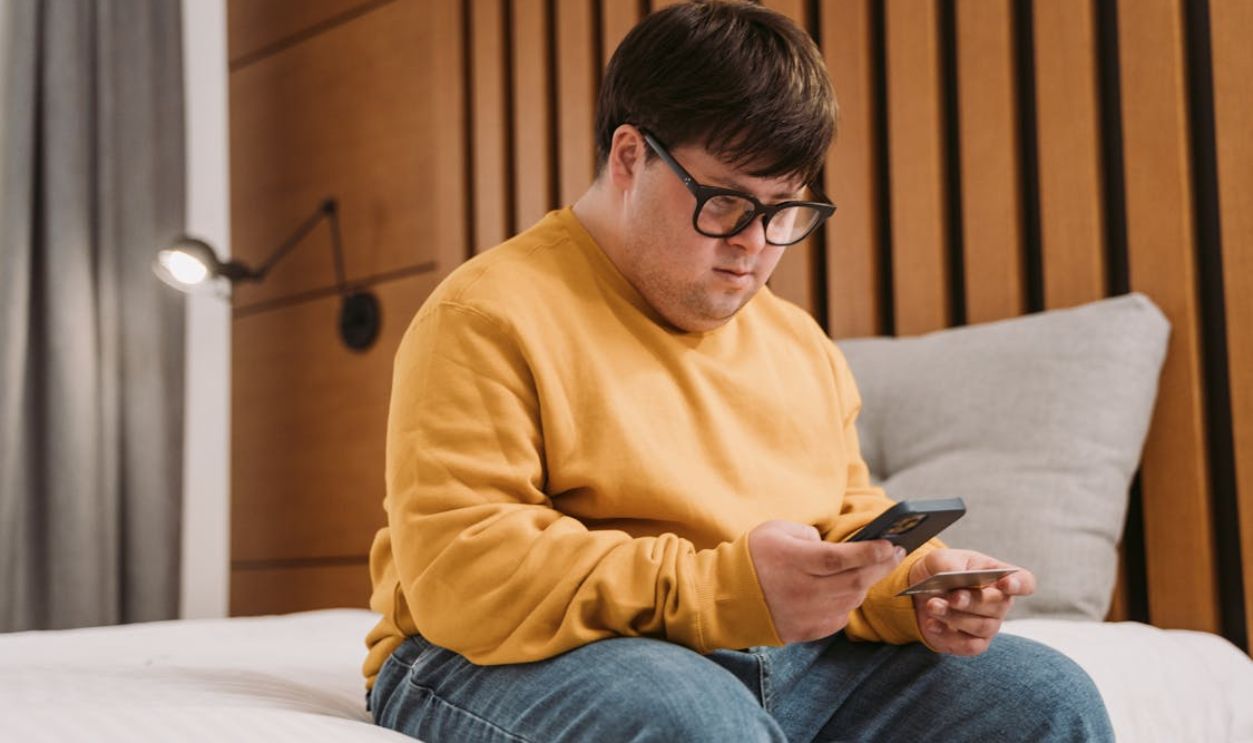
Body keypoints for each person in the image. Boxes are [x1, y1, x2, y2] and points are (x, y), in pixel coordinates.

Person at [363, 1, 1114, 740]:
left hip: (763, 652)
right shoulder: (485, 313)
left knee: (1044, 696)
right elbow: (466, 574)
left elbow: (843, 519)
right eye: (725, 203)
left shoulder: (795, 341)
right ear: (630, 156)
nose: (755, 245)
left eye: (785, 210)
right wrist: (725, 589)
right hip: (497, 652)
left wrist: (910, 589)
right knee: (694, 719)